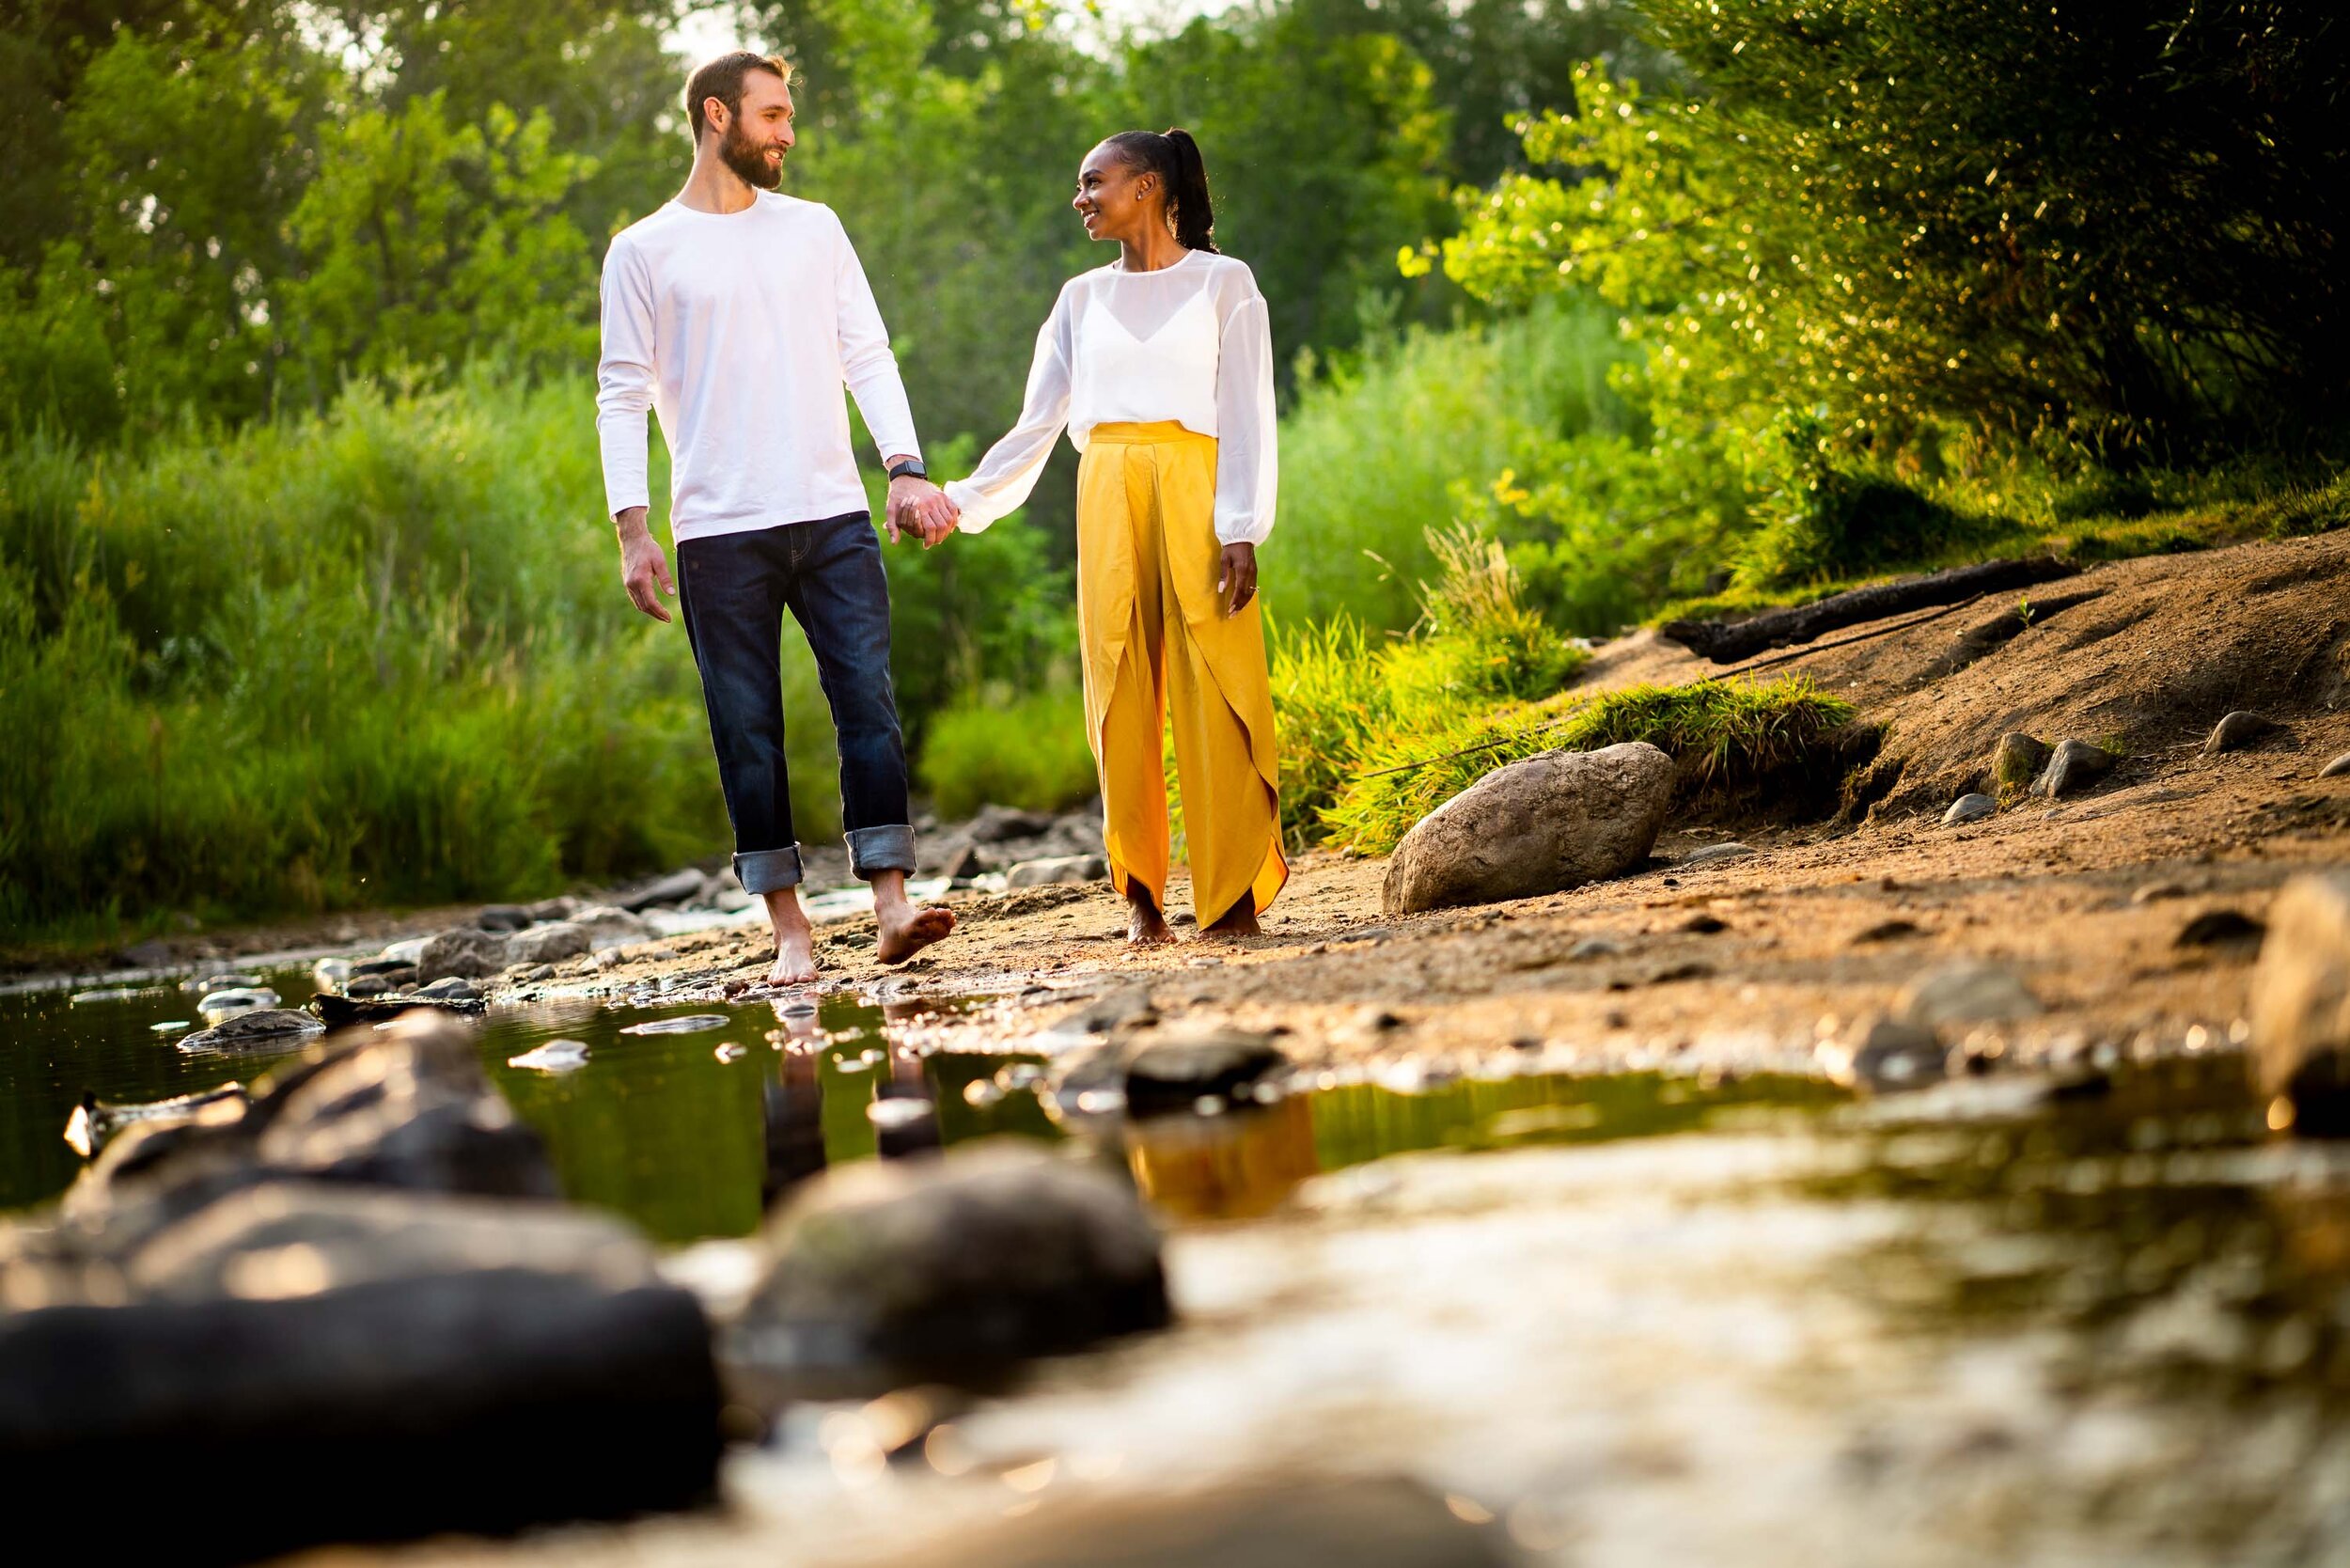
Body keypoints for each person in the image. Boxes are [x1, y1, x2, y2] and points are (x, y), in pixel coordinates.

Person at [595, 51, 958, 985]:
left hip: (832, 510)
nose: (788, 133)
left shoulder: (815, 228)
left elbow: (866, 352)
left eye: (788, 116)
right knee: (746, 725)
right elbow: (620, 395)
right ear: (718, 116)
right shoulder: (642, 250)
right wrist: (632, 530)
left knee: (867, 704)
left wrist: (906, 468)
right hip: (718, 531)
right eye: (772, 115)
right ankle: (789, 929)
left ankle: (889, 906)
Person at [941, 129, 1286, 945]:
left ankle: (1232, 898)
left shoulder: (1224, 282)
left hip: (1197, 484)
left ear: (1150, 188)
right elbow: (1038, 424)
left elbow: (1247, 407)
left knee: (1217, 678)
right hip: (1106, 487)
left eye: (1094, 182)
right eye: (1079, 184)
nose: (1081, 198)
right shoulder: (1079, 298)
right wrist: (964, 499)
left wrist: (1241, 525)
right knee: (1119, 682)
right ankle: (1140, 898)